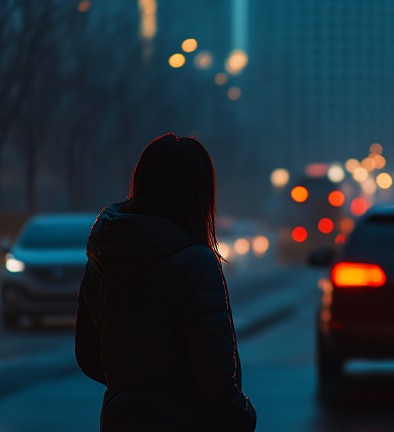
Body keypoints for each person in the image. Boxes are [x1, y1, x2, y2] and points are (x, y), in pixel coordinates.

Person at [75, 133, 257, 431]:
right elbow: (215, 374)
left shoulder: (103, 259)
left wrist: (132, 389)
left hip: (120, 418)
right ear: (198, 195)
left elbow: (87, 356)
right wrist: (245, 416)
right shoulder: (196, 263)